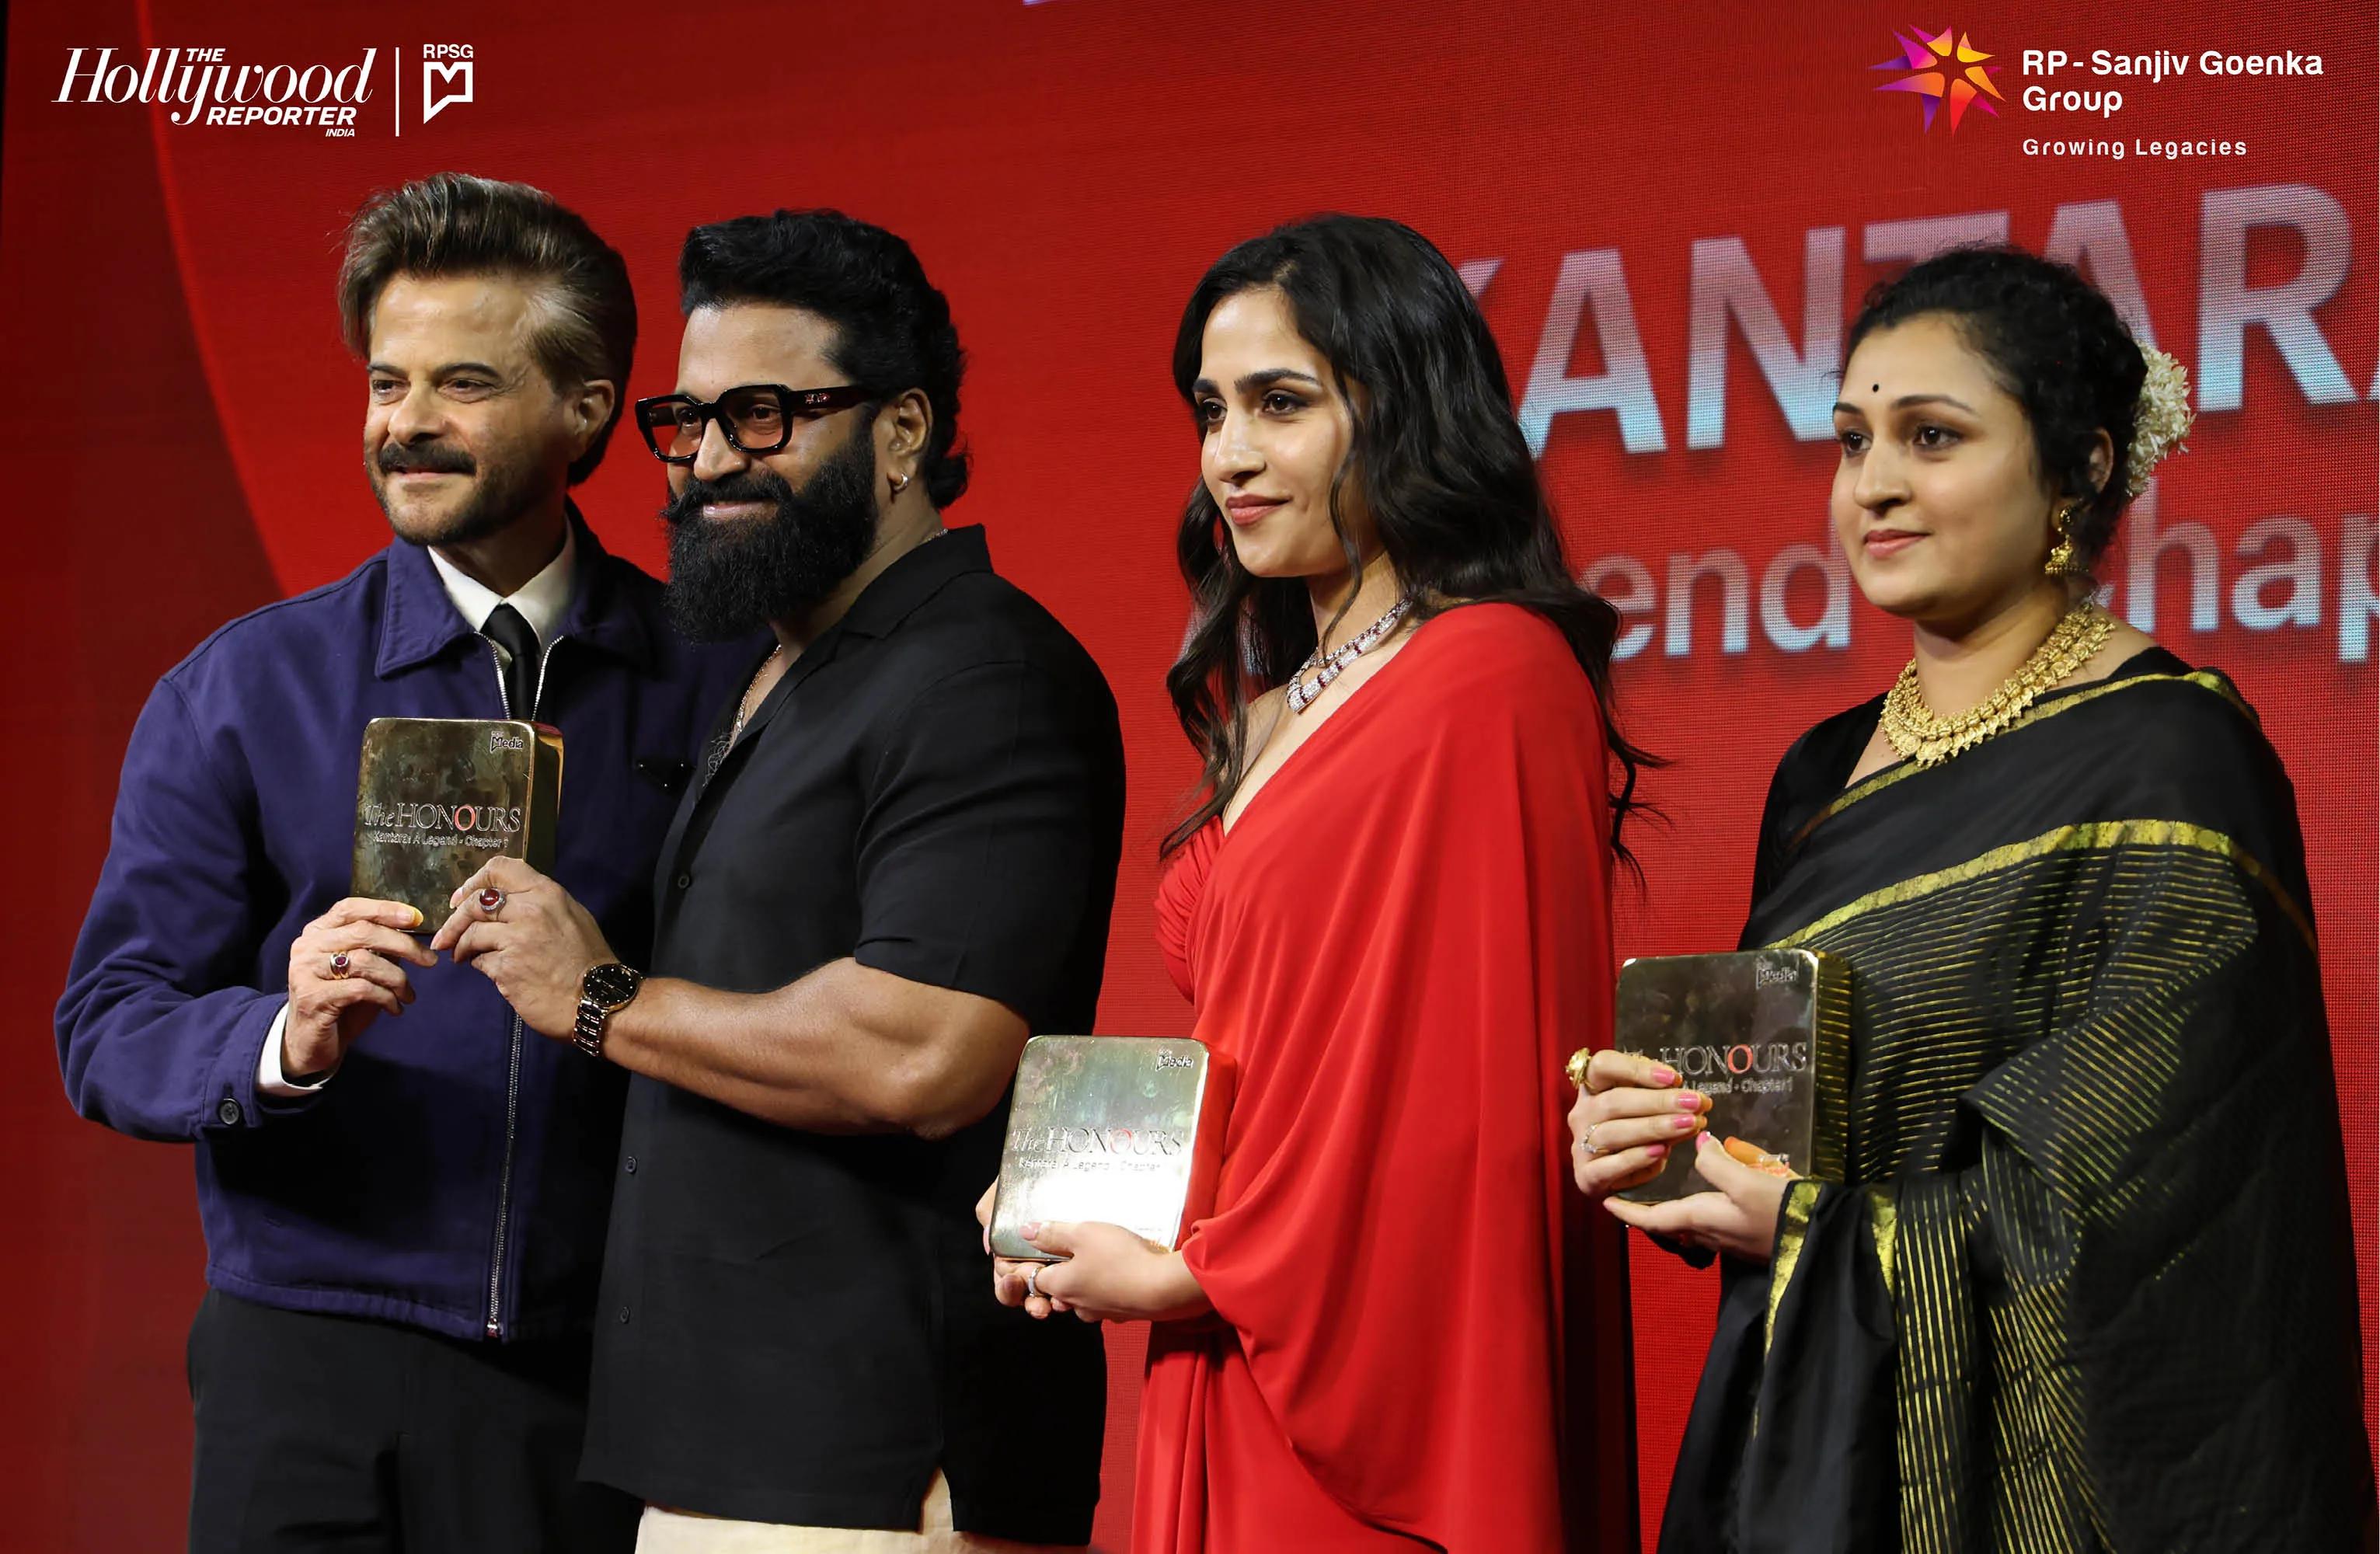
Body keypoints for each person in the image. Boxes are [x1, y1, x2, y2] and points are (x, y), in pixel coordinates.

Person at [1572, 243, 2375, 1552]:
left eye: (1932, 436)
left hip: (2037, 1492)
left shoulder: (2174, 756)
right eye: (1850, 441)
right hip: (1799, 1442)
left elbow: (2153, 1206)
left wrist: (1813, 1228)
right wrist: (1664, 1142)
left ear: (2083, 464)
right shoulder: (1819, 774)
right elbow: (1791, 1126)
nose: (1874, 485)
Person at [55, 172, 751, 1552]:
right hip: (302, 1363)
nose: (405, 426)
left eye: (464, 383)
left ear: (590, 412)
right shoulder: (244, 688)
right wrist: (282, 1034)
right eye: (387, 381)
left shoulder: (723, 686)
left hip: (597, 1375)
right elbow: (108, 1028)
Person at [432, 208, 1123, 1551]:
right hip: (724, 1463)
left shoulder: (985, 676)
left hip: (879, 1471)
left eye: (762, 415)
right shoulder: (787, 668)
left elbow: (927, 1050)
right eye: (684, 422)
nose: (706, 461)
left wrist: (600, 1000)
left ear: (906, 430)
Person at [985, 214, 1643, 1553]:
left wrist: (1189, 1266)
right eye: (1211, 411)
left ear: (1403, 407)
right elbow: (1274, 1055)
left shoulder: (1491, 674)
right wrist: (1089, 1190)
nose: (1230, 455)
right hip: (1230, 1333)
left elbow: (1459, 1114)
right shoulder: (1278, 700)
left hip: (1362, 1362)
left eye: (1280, 405)